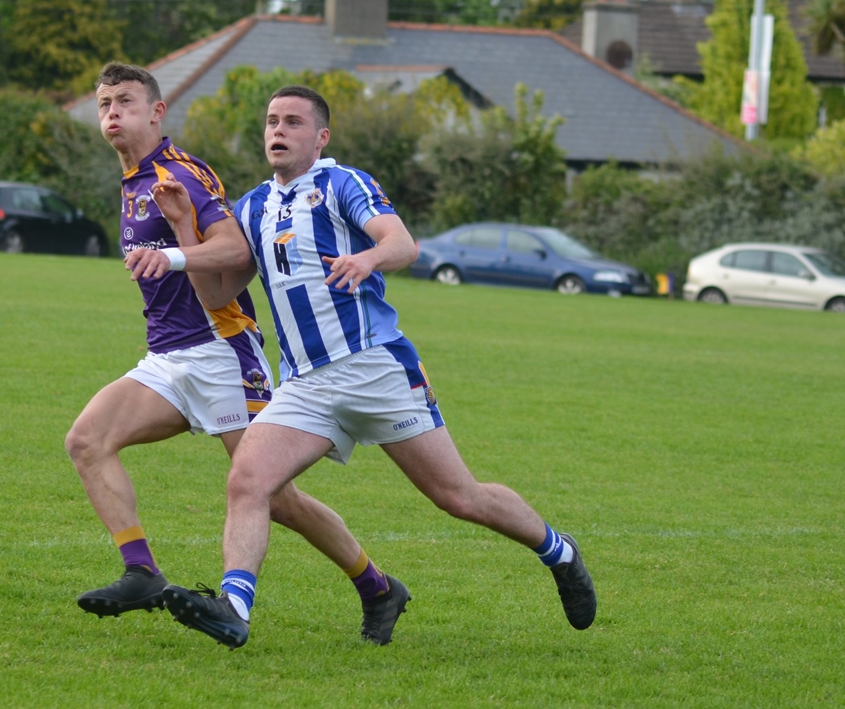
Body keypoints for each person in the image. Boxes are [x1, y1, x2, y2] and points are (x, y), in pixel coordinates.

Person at [129, 84, 596, 649]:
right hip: (305, 384)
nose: (278, 130)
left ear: (320, 137)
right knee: (248, 482)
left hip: (374, 367)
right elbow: (217, 293)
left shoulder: (341, 183)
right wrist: (184, 228)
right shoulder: (252, 205)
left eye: (294, 122)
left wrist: (368, 256)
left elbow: (402, 244)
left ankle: (558, 551)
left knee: (457, 497)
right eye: (272, 121)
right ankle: (234, 607)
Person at [65, 64, 412, 646]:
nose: (112, 114)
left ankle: (377, 586)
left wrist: (174, 255)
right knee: (87, 441)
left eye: (125, 102)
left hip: (224, 351)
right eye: (104, 105)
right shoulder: (131, 181)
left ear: (157, 111)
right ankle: (141, 571)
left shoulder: (182, 173)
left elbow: (231, 247)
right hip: (169, 356)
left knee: (274, 498)